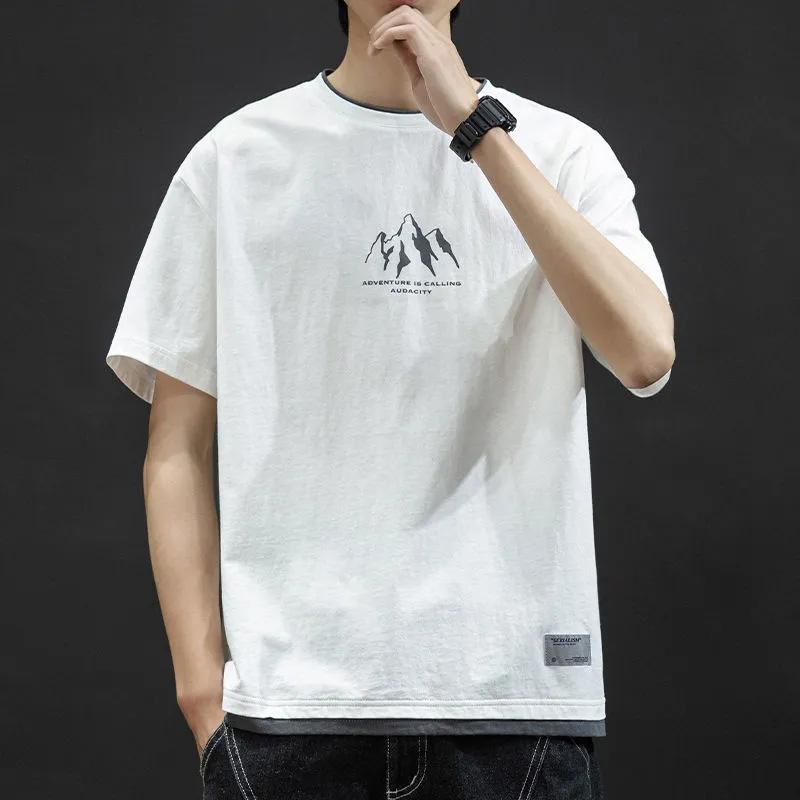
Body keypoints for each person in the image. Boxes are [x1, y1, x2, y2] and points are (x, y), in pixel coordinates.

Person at [105, 1, 675, 797]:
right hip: (288, 721)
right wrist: (203, 696)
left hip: (515, 718)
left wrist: (475, 127)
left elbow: (646, 353)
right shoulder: (236, 159)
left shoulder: (563, 151)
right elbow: (176, 446)